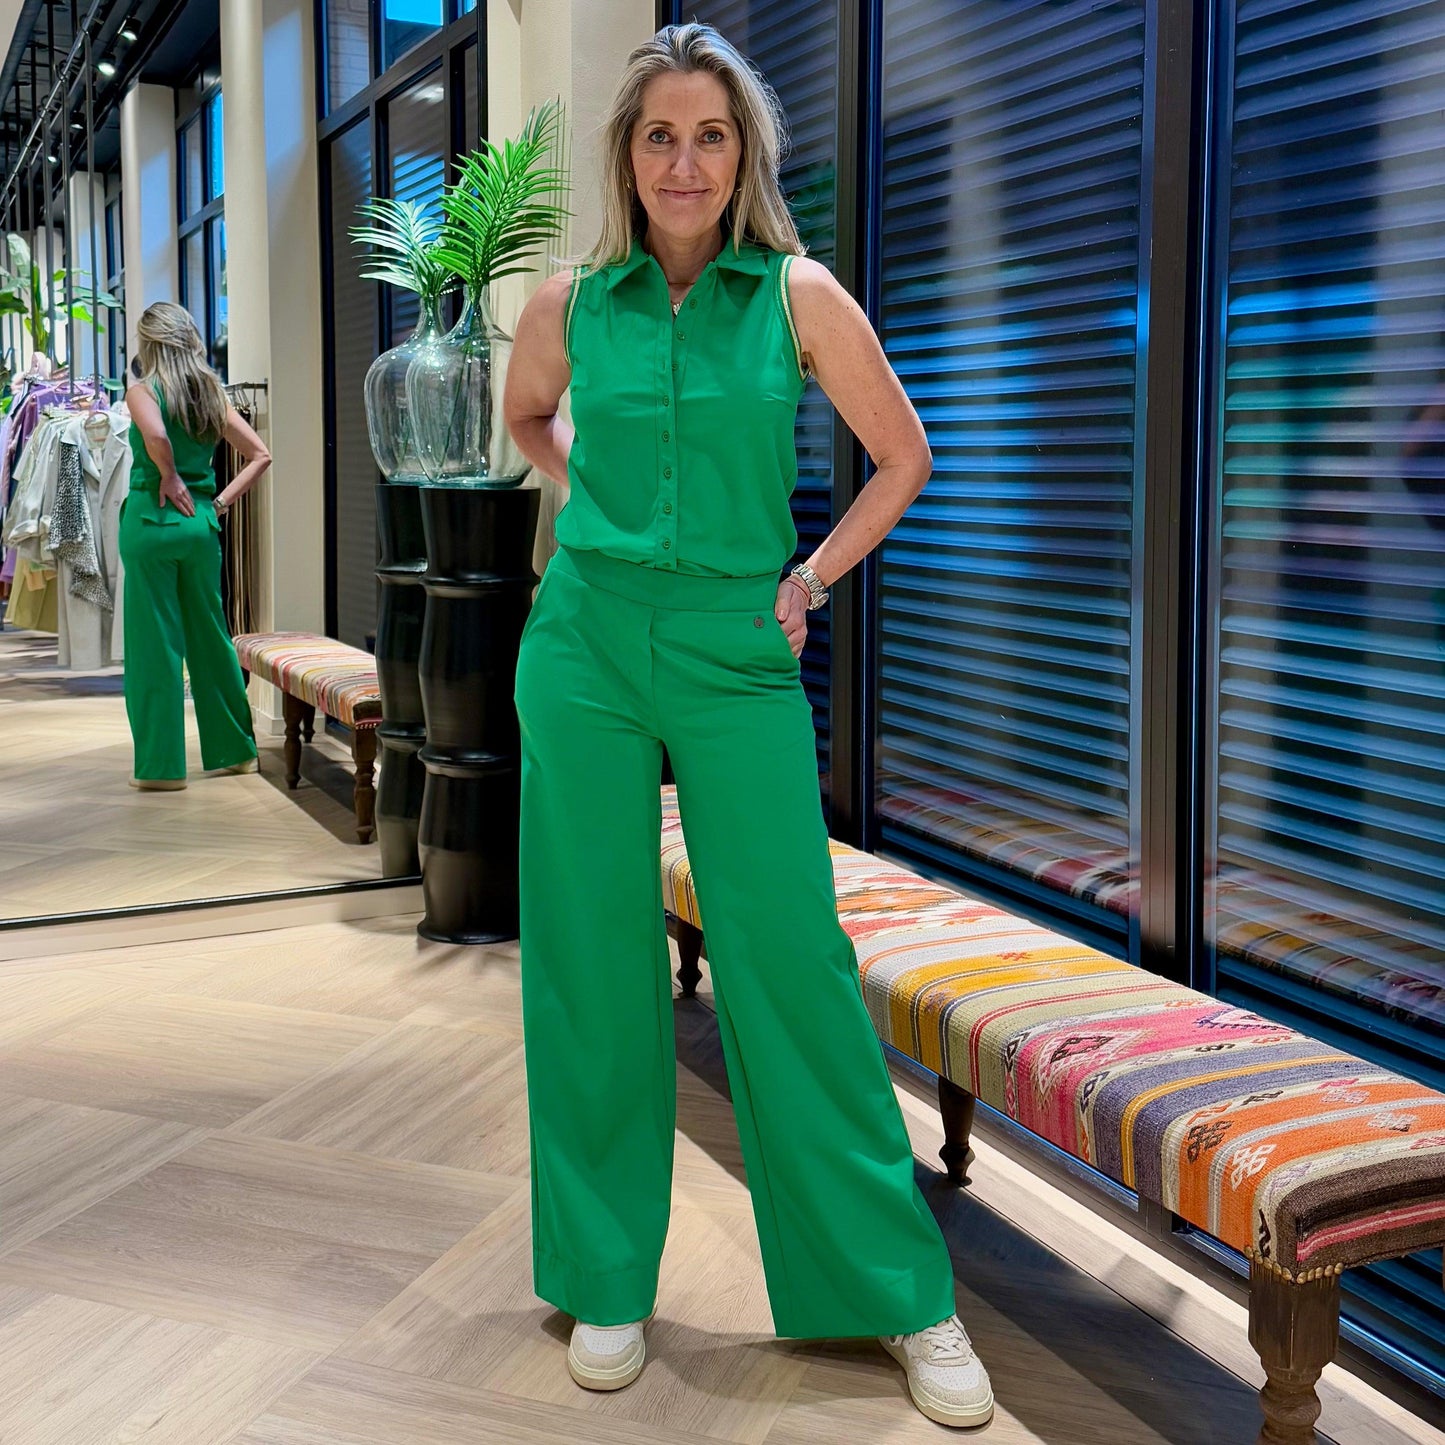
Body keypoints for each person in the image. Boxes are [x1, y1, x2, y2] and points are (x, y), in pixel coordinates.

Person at [504, 23, 993, 1432]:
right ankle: (605, 1276)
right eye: (659, 135)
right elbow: (529, 418)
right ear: (626, 155)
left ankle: (896, 1288)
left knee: (789, 959)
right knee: (591, 962)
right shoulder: (568, 302)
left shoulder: (796, 293)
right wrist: (588, 491)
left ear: (742, 156)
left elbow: (901, 455)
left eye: (708, 136)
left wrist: (809, 579)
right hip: (585, 645)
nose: (683, 162)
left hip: (736, 651)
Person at [120, 302, 271, 790]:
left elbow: (155, 433)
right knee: (211, 635)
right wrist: (219, 503)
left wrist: (168, 474)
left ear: (149, 344)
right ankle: (236, 753)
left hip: (150, 522)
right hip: (199, 525)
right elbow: (260, 455)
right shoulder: (210, 394)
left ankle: (161, 769)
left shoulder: (143, 390)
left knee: (155, 643)